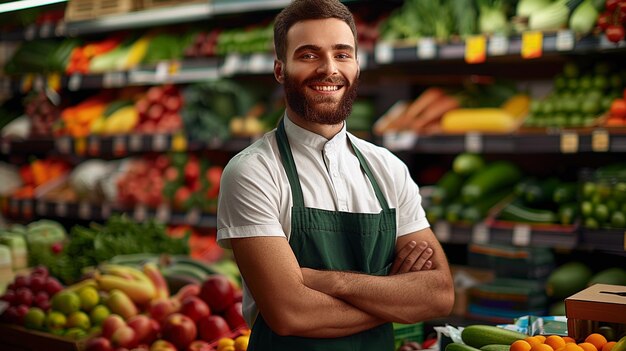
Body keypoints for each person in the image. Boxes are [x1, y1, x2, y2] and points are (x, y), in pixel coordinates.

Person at [216, 0, 455, 350]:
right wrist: (394, 298)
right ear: (280, 70)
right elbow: (290, 313)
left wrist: (332, 283)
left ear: (357, 65)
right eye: (309, 55)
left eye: (342, 55)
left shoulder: (387, 168)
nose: (329, 69)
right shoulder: (253, 172)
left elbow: (439, 294)